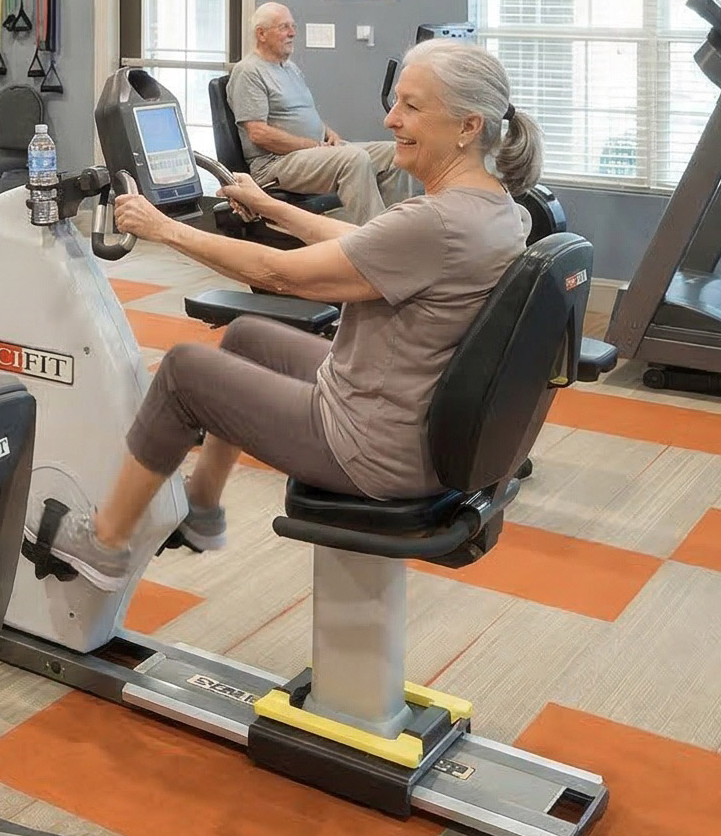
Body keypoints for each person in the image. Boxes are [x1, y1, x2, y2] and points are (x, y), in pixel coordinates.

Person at [48, 43, 539, 586]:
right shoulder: (500, 209)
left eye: (412, 108)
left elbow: (285, 274)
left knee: (185, 371)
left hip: (371, 445)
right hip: (410, 418)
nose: (390, 118)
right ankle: (202, 506)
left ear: (468, 125)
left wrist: (163, 229)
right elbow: (370, 242)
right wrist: (271, 205)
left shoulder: (436, 222)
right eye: (397, 102)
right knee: (248, 337)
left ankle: (106, 541)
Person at [226, 1, 414, 224]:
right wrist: (313, 146)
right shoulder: (248, 72)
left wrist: (329, 133)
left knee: (396, 153)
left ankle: (396, 228)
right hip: (275, 164)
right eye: (284, 27)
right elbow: (258, 134)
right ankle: (374, 244)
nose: (292, 33)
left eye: (293, 26)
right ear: (261, 34)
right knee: (354, 158)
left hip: (315, 151)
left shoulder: (290, 68)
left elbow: (302, 113)